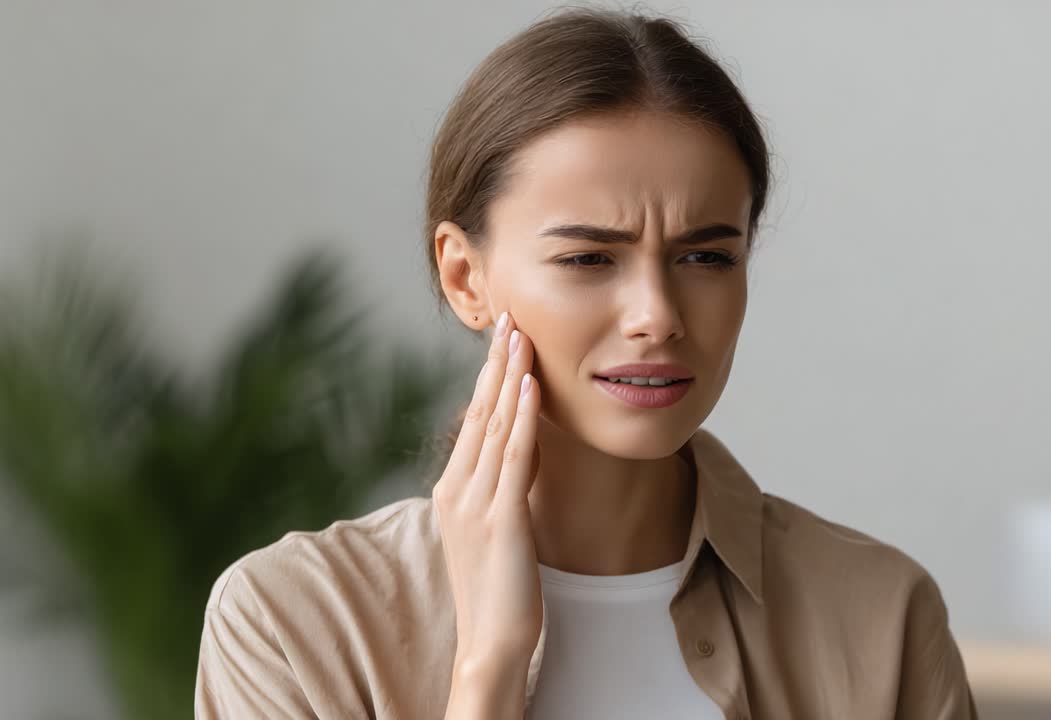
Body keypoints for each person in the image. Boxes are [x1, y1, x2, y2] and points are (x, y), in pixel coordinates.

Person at [195, 6, 978, 719]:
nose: (658, 317)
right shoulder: (292, 622)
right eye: (588, 259)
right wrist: (488, 668)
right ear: (465, 276)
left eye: (705, 256)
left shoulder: (882, 617)